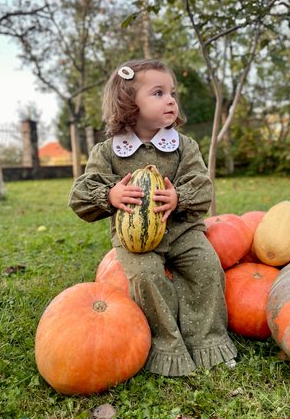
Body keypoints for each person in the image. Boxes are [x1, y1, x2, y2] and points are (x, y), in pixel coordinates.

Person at [68, 58, 237, 376]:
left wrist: (178, 197)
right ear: (129, 103)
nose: (171, 99)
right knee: (146, 276)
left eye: (172, 92)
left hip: (183, 230)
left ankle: (207, 339)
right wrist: (110, 195)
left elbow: (202, 186)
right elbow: (80, 194)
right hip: (136, 239)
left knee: (207, 268)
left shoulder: (183, 147)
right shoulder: (108, 152)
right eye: (158, 92)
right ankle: (166, 344)